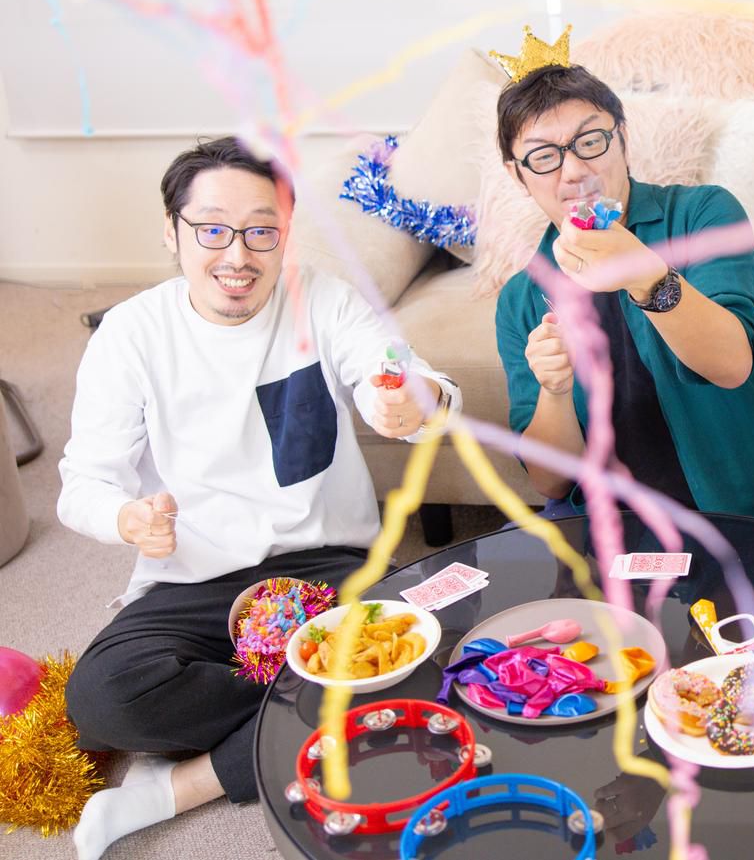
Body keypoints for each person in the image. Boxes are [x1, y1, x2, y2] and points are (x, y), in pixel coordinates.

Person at [57, 137, 461, 860]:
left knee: (432, 657)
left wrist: (408, 400)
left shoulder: (325, 302)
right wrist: (128, 517)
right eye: (211, 228)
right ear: (171, 229)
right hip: (193, 579)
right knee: (102, 698)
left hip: (328, 569)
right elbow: (82, 481)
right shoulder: (130, 334)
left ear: (285, 235)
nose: (236, 254)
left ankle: (177, 786)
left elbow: (399, 371)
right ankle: (314, 708)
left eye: (261, 231)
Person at [491, 29, 754, 525]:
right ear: (519, 175)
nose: (574, 170)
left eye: (590, 141)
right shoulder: (522, 298)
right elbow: (550, 481)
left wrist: (644, 273)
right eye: (544, 156)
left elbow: (732, 365)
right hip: (609, 530)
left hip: (737, 520)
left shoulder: (704, 215)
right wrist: (554, 391)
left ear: (622, 138)